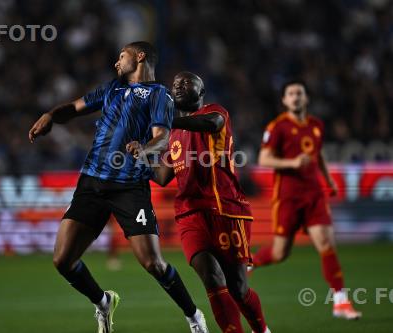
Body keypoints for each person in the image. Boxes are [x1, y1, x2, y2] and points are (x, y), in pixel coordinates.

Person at [28, 42, 208, 333]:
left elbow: (162, 137)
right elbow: (74, 108)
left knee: (154, 264)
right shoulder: (111, 89)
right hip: (91, 182)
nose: (116, 62)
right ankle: (102, 302)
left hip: (129, 187)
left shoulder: (159, 94)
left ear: (140, 57)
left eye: (121, 57)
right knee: (62, 260)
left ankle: (193, 316)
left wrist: (145, 148)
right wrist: (51, 115)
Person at [128, 71, 269, 333]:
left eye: (185, 82)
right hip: (190, 214)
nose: (178, 86)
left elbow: (212, 124)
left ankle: (262, 330)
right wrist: (141, 157)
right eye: (175, 84)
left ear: (201, 91)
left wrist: (170, 123)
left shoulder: (216, 112)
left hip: (225, 208)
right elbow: (162, 176)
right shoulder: (174, 137)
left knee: (238, 288)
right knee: (212, 279)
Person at [252, 80, 362, 320]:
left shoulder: (316, 125)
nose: (295, 97)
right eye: (291, 94)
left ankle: (340, 302)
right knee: (281, 253)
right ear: (284, 100)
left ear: (306, 98)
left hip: (313, 195)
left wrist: (329, 180)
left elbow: (318, 154)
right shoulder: (277, 127)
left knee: (326, 242)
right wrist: (291, 163)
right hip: (288, 197)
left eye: (299, 93)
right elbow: (264, 158)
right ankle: (249, 262)